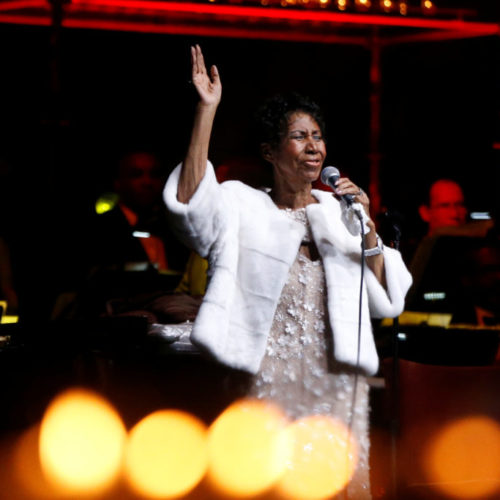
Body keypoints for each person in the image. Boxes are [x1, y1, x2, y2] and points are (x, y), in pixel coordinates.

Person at [164, 45, 412, 499]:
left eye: (318, 135)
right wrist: (206, 111)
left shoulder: (339, 212)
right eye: (299, 136)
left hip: (337, 384)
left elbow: (386, 300)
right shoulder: (243, 205)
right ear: (270, 151)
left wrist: (368, 224)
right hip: (267, 381)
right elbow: (190, 210)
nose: (314, 146)